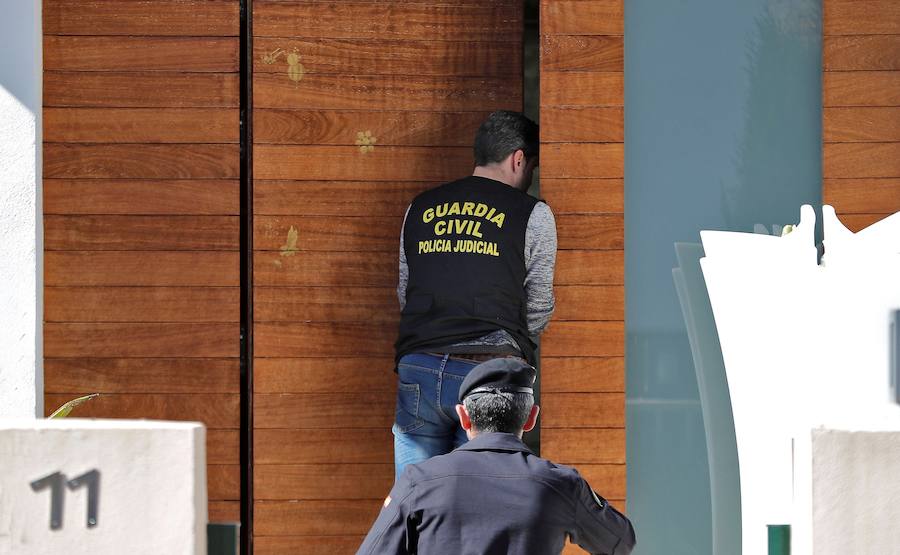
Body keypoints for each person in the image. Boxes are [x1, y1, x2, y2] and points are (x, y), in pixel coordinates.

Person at [393, 110, 557, 477]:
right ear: (519, 159)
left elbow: (407, 290)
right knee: (476, 498)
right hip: (488, 372)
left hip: (420, 363)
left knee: (413, 499)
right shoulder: (531, 213)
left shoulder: (420, 207)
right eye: (531, 168)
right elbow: (537, 308)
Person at [357, 358, 636, 555]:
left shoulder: (419, 482)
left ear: (464, 417)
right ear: (530, 418)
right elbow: (621, 542)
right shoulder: (561, 485)